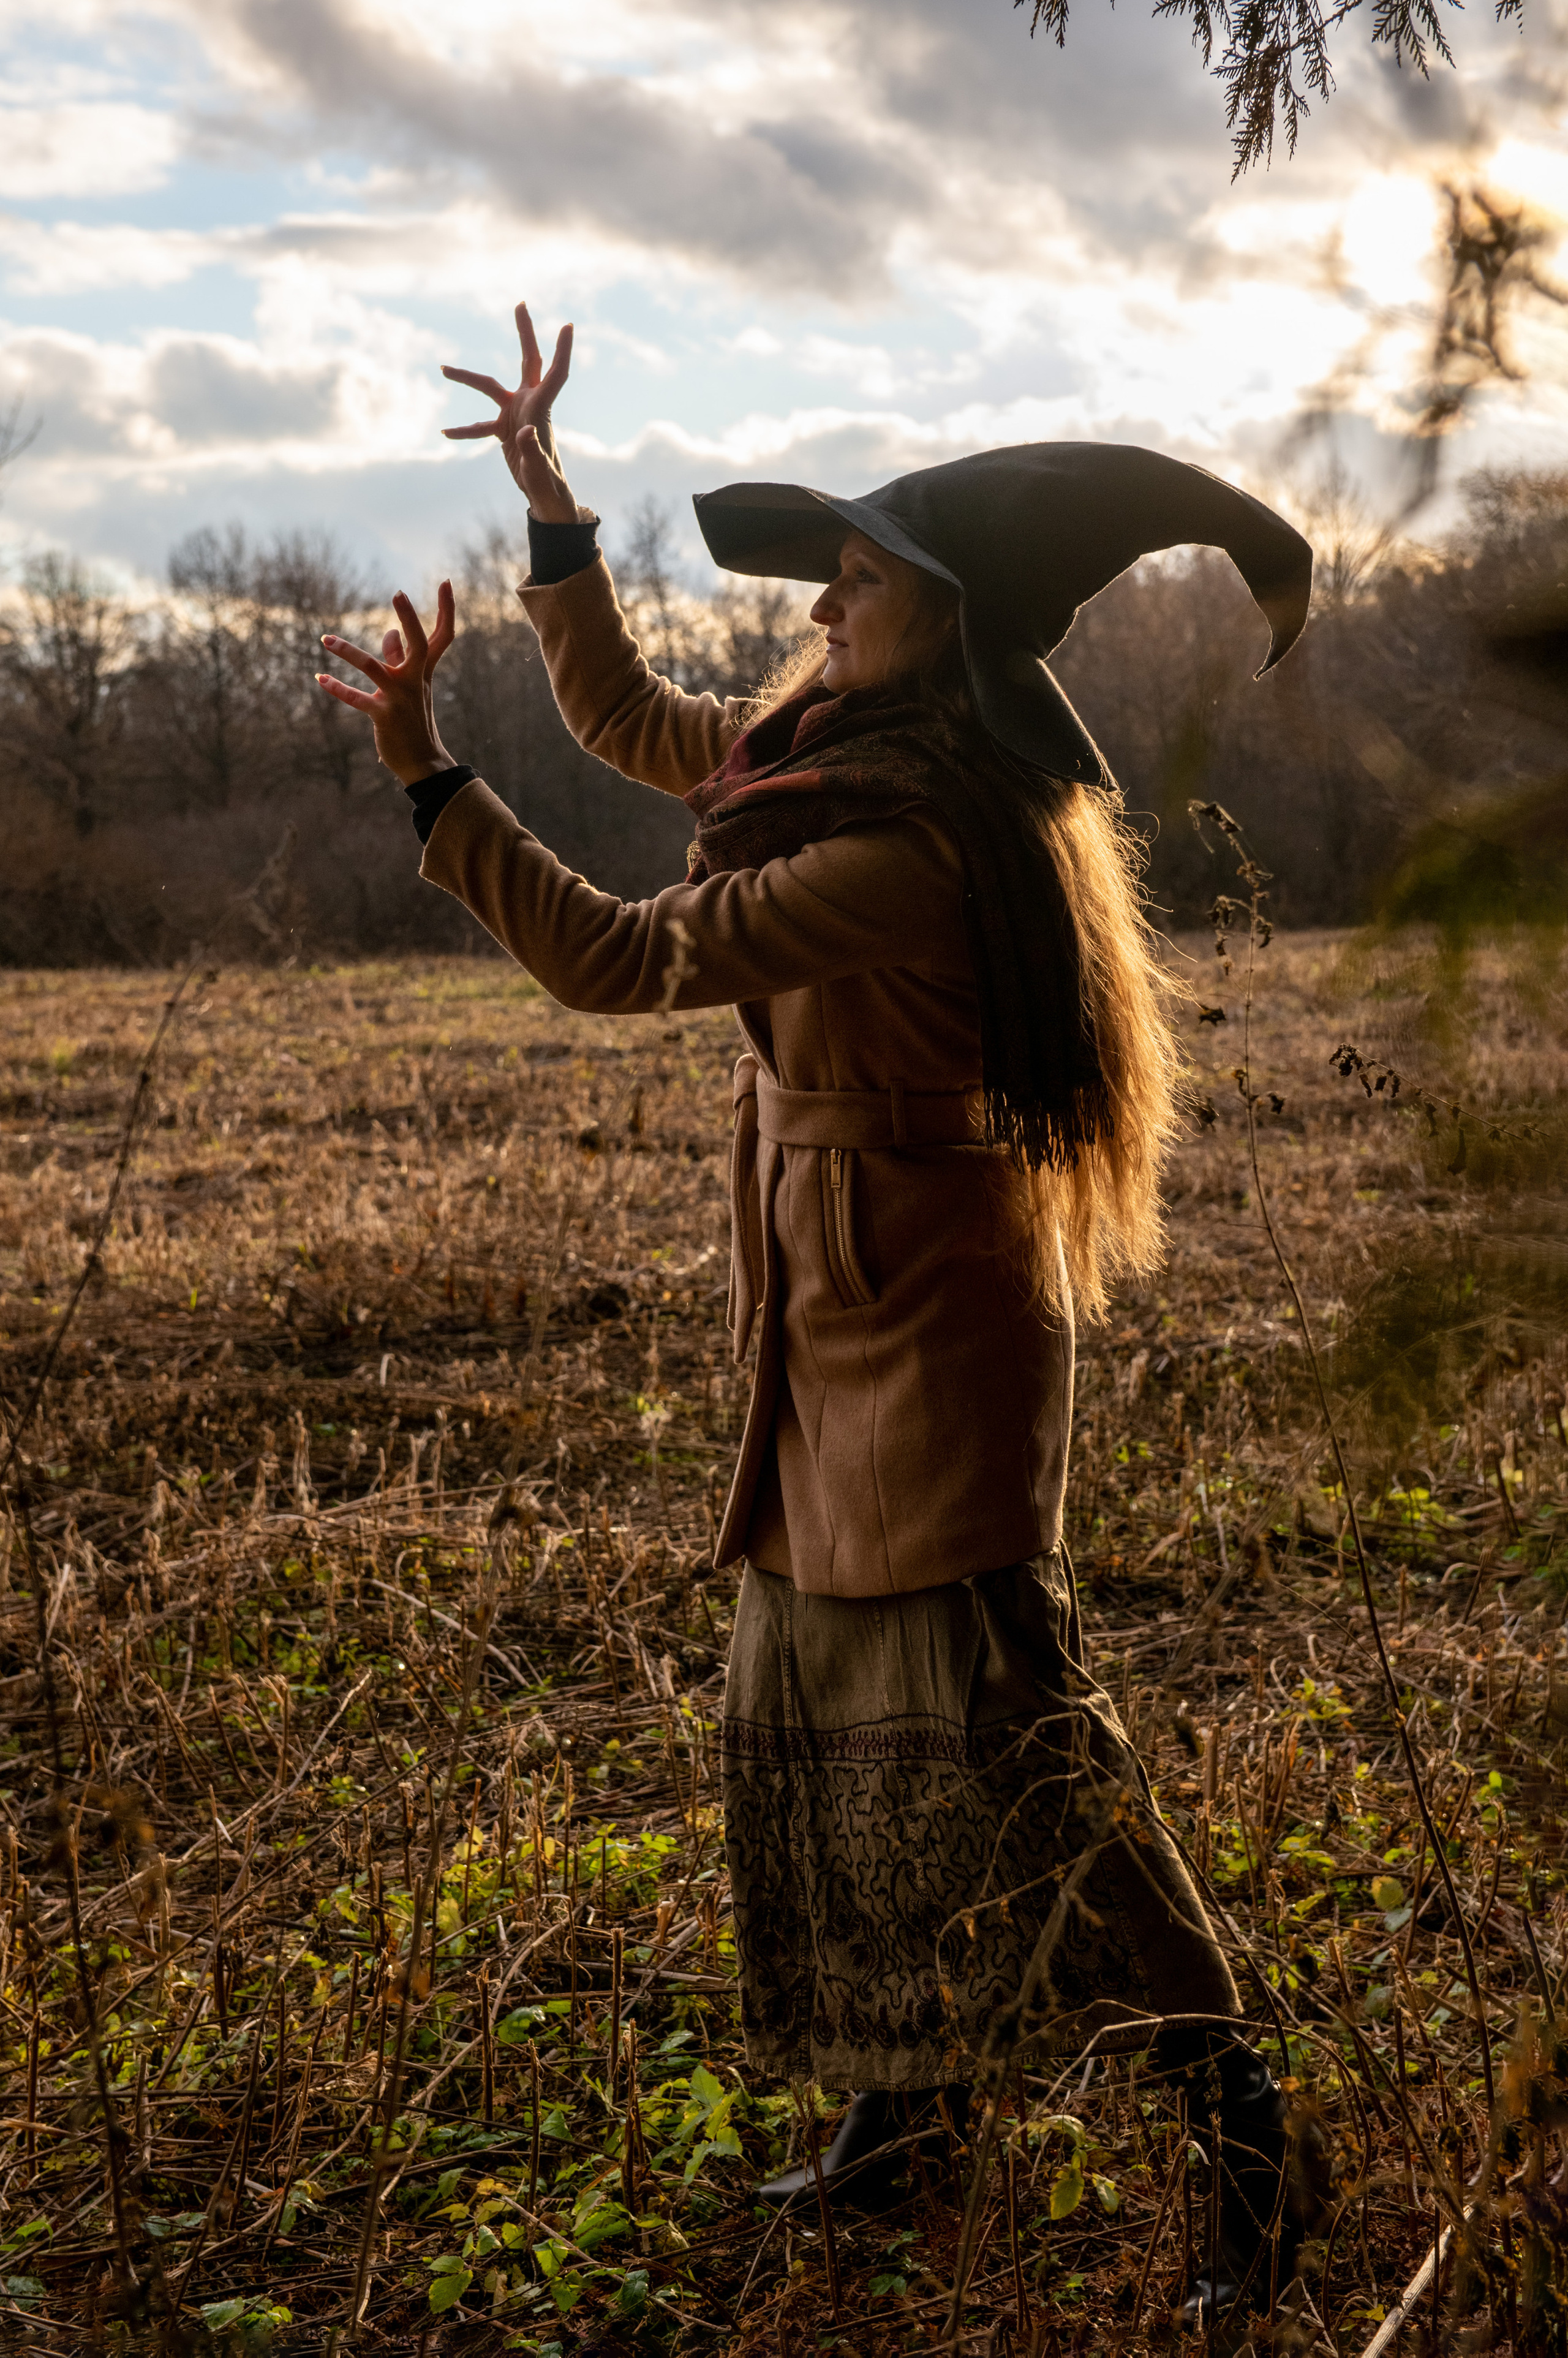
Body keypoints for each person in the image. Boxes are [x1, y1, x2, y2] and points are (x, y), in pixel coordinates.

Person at [316, 301, 1324, 2322]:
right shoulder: (830, 748)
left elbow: (619, 957)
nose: (821, 601)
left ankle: (1246, 2130)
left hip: (927, 1317)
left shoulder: (907, 841)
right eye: (833, 572)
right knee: (823, 1702)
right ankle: (906, 2107)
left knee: (1017, 1743)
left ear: (940, 624)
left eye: (859, 579)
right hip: (833, 1298)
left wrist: (432, 786)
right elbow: (638, 721)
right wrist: (552, 516)